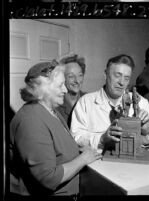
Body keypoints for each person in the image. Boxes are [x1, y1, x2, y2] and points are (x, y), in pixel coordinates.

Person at [9, 60, 102, 197]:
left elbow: (58, 147)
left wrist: (80, 151)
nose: (65, 90)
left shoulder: (51, 110)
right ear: (43, 89)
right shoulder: (31, 120)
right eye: (60, 86)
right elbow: (48, 178)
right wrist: (83, 159)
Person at [70, 54, 149, 151]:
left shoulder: (140, 102)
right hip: (97, 162)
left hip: (130, 162)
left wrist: (145, 132)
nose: (122, 82)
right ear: (105, 75)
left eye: (126, 78)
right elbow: (75, 137)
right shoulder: (86, 102)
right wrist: (102, 138)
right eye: (117, 75)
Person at [56, 54, 86, 127]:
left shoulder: (89, 100)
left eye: (80, 75)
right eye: (71, 76)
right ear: (62, 78)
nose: (77, 81)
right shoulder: (55, 104)